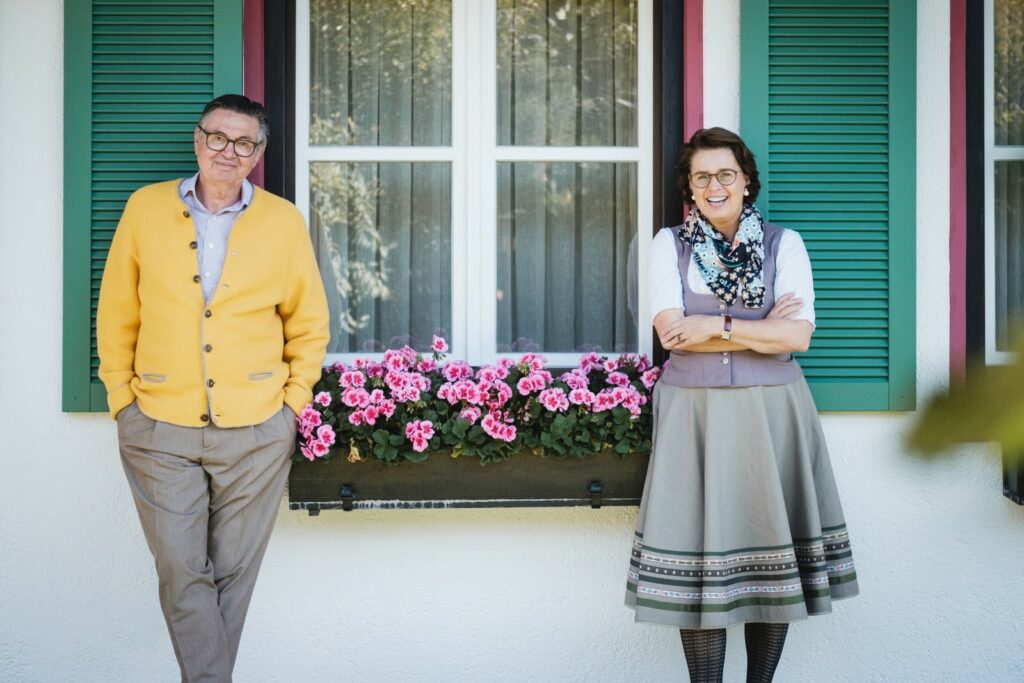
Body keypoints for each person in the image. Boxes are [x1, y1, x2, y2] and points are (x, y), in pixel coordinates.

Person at [98, 94, 330, 682]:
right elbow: (117, 313)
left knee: (233, 574)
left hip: (256, 426)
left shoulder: (282, 221)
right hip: (157, 423)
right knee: (181, 568)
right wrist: (123, 402)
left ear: (258, 153)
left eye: (244, 142)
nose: (228, 151)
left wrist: (291, 407)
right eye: (217, 137)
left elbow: (308, 323)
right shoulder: (145, 208)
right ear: (198, 139)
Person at [625, 127, 858, 682]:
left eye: (725, 174)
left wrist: (712, 323)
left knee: (767, 555)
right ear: (689, 186)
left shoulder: (785, 244)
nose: (714, 185)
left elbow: (799, 337)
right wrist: (759, 328)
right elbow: (670, 334)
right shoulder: (668, 245)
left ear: (746, 180)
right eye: (701, 176)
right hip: (694, 418)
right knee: (698, 561)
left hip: (771, 415)